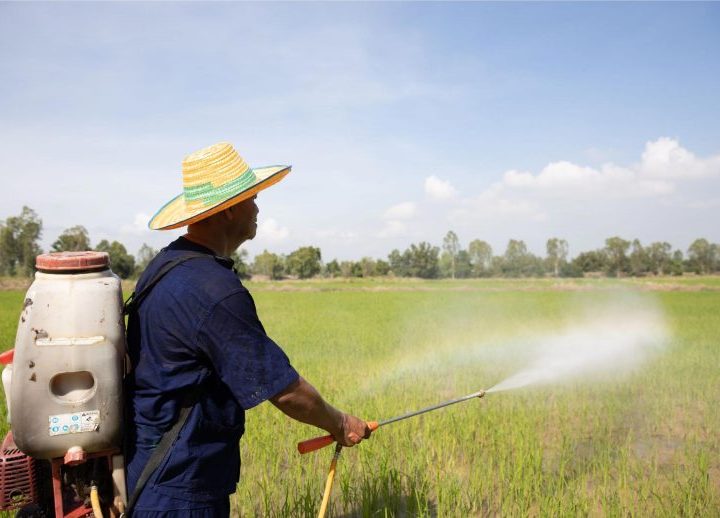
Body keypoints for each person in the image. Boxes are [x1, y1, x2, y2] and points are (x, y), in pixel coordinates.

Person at [124, 142, 370, 517]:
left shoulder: (166, 266)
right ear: (229, 209)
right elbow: (285, 391)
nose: (258, 208)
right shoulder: (213, 290)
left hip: (147, 468)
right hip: (180, 487)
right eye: (252, 198)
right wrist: (339, 422)